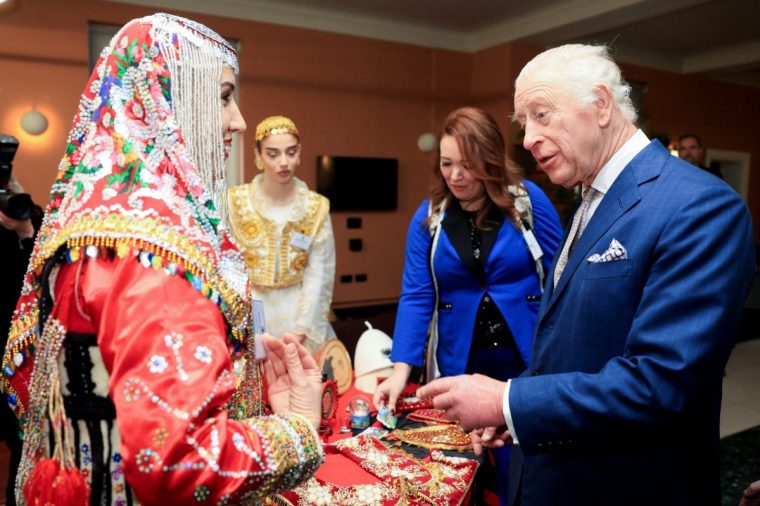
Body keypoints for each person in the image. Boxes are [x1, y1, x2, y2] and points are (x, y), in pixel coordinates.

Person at [1, 13, 323, 506]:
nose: (238, 119)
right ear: (162, 95)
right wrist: (299, 430)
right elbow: (180, 461)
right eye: (222, 96)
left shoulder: (98, 221)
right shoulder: (154, 254)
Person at [417, 44, 756, 505]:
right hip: (555, 472)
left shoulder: (697, 206)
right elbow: (570, 343)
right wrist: (517, 408)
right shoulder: (589, 199)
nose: (531, 138)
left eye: (542, 114)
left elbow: (662, 384)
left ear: (600, 106)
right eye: (525, 124)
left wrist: (507, 401)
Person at [373, 107, 562, 504]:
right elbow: (417, 294)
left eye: (467, 165)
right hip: (460, 361)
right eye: (446, 164)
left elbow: (562, 279)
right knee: (459, 471)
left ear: (490, 160)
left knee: (525, 472)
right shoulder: (429, 218)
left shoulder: (528, 202)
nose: (455, 176)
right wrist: (399, 369)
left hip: (523, 361)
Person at [227, 116, 336, 354]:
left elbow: (320, 273)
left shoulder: (315, 207)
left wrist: (301, 329)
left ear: (299, 153)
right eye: (273, 154)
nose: (283, 162)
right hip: (250, 308)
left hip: (299, 312)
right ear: (258, 156)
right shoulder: (234, 202)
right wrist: (244, 323)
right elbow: (227, 267)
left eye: (290, 152)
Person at [0, 177, 43, 506]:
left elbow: (42, 282)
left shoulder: (32, 217)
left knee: (23, 441)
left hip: (20, 352)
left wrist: (26, 233)